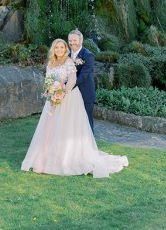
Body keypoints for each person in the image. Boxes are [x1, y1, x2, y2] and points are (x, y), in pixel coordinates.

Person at [21, 39, 128, 178]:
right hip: (53, 98)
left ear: (65, 49)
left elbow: (72, 79)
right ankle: (49, 156)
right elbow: (47, 80)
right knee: (51, 127)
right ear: (53, 49)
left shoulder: (69, 62)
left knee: (67, 126)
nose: (59, 50)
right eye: (57, 47)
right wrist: (51, 91)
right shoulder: (51, 63)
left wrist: (62, 93)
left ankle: (66, 158)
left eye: (62, 47)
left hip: (69, 97)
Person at [67, 29, 96, 133]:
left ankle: (90, 143)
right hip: (71, 94)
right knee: (73, 120)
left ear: (81, 40)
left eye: (74, 40)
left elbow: (82, 76)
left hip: (85, 92)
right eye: (70, 40)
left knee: (87, 120)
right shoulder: (66, 53)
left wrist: (66, 87)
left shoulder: (88, 55)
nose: (72, 43)